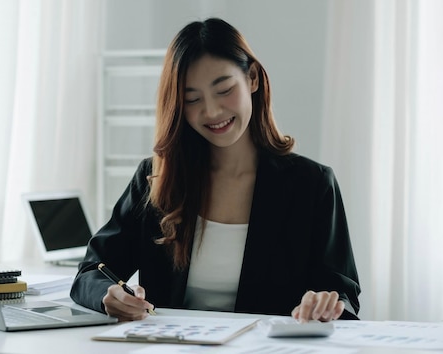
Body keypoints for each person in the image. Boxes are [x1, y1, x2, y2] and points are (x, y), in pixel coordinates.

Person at [70, 17, 360, 323]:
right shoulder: (155, 180)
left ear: (252, 78)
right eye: (192, 99)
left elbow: (344, 295)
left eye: (223, 90)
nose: (211, 111)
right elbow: (91, 271)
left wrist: (327, 304)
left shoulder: (311, 185)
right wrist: (108, 295)